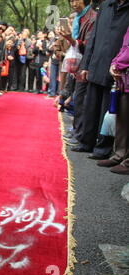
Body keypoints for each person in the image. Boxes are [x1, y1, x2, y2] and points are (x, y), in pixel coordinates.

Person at [73, 0, 129, 155]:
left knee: (108, 108)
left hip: (116, 67)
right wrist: (85, 65)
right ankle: (86, 142)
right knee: (90, 106)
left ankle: (103, 147)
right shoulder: (106, 6)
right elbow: (93, 38)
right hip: (96, 63)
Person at [58, 0, 97, 154]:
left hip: (85, 63)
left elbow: (87, 44)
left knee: (81, 98)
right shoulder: (79, 17)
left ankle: (81, 135)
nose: (73, 3)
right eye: (71, 1)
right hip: (77, 62)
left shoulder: (92, 17)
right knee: (77, 97)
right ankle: (77, 131)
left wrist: (70, 39)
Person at [97, 26, 129, 174]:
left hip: (125, 71)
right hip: (123, 79)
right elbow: (123, 49)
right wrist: (113, 64)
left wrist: (119, 64)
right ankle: (119, 155)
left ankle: (127, 161)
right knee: (121, 119)